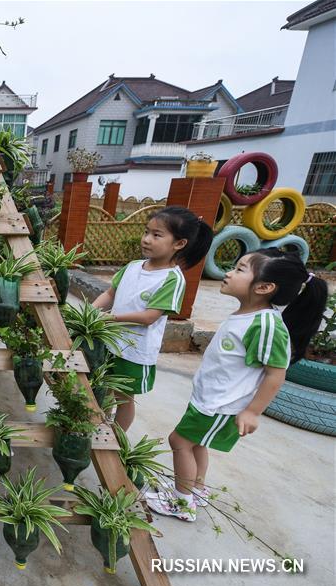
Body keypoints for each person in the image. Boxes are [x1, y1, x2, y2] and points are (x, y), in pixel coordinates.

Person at [147, 249, 327, 522]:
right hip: (211, 398)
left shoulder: (265, 325)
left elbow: (276, 373)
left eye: (240, 269)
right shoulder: (248, 314)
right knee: (197, 445)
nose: (229, 272)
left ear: (264, 287)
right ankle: (195, 489)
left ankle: (181, 503)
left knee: (179, 441)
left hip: (221, 405)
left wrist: (252, 411)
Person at [92, 206, 213, 431]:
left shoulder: (172, 279)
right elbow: (111, 293)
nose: (146, 239)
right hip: (110, 342)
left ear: (179, 244)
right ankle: (99, 430)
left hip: (135, 351)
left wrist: (110, 318)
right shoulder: (132, 267)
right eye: (146, 232)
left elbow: (149, 317)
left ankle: (116, 440)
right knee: (103, 388)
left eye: (156, 235)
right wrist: (91, 311)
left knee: (124, 397)